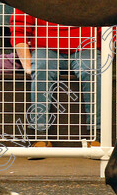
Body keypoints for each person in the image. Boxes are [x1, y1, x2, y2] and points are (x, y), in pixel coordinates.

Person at [12, 10, 102, 151]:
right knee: (41, 68)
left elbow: (109, 25)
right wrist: (27, 64)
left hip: (86, 47)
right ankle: (40, 135)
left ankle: (97, 135)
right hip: (46, 48)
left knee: (92, 70)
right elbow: (19, 26)